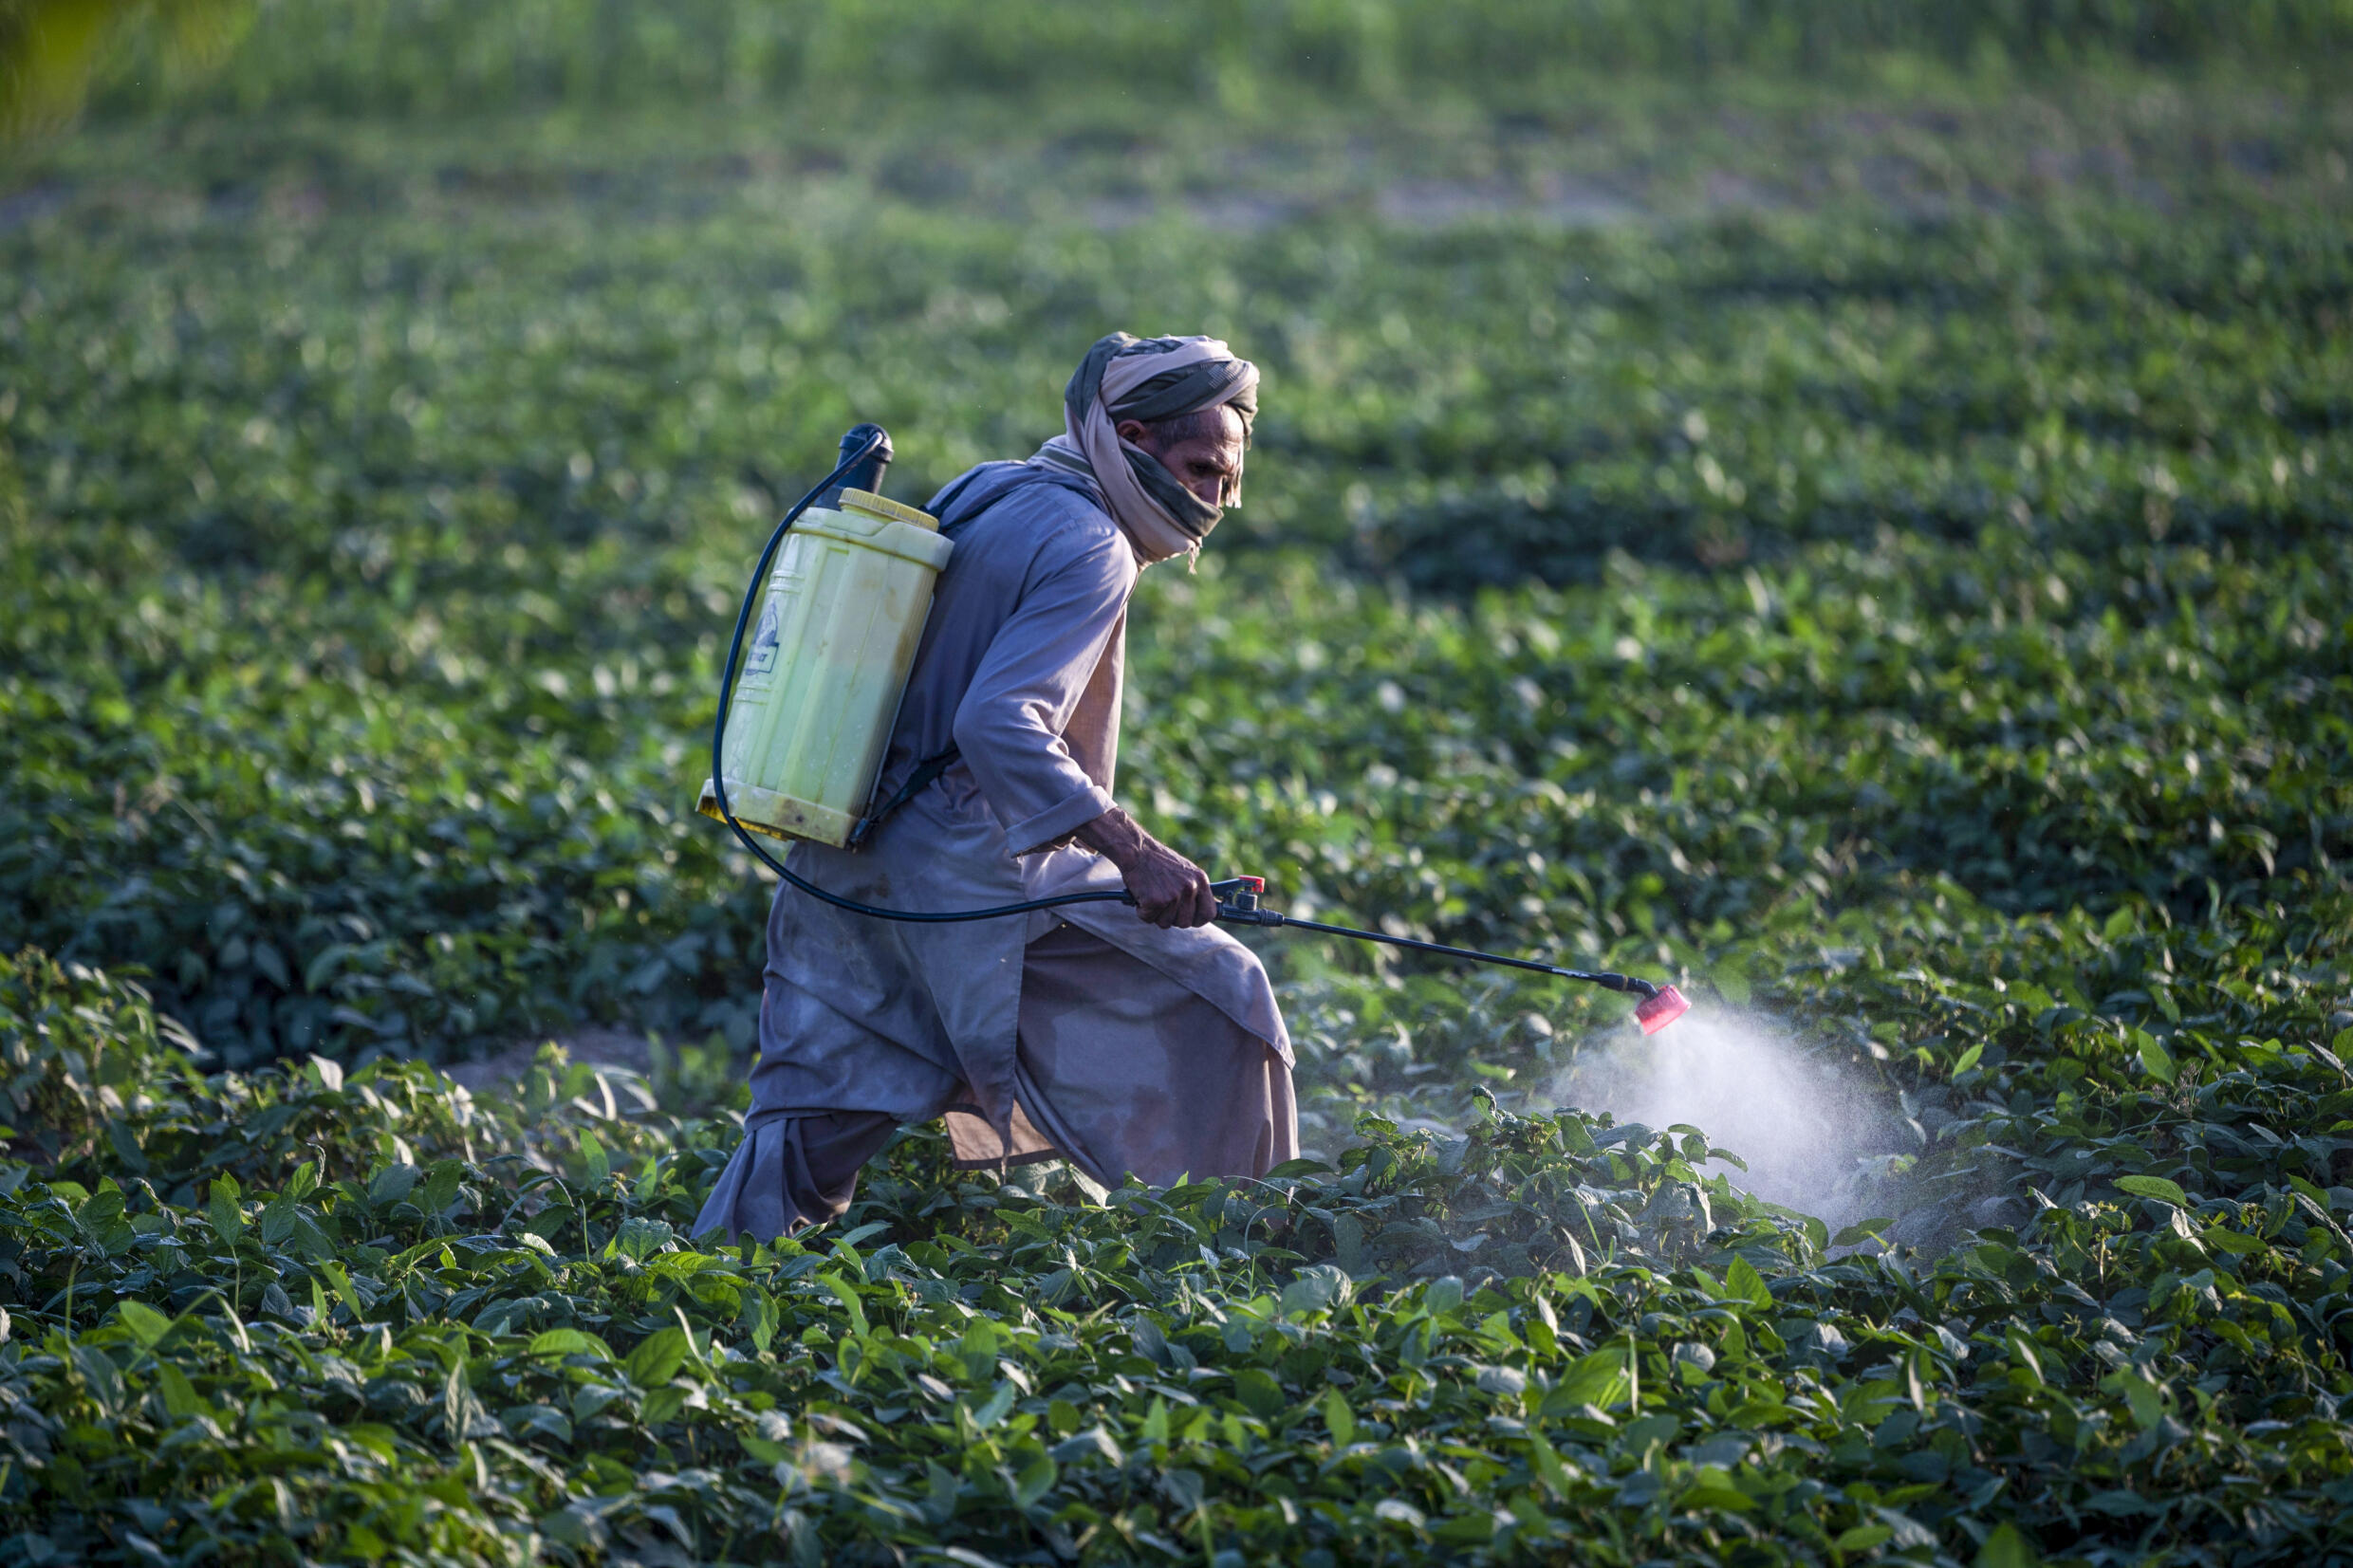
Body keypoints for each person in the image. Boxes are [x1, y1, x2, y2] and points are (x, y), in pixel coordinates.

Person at [693, 333, 1298, 1243]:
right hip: (966, 870)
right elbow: (999, 723)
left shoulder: (994, 485)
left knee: (816, 1106)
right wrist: (1139, 856)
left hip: (847, 834)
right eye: (1204, 468)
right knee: (1228, 996)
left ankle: (708, 1278)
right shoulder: (1092, 542)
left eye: (1231, 476)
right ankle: (1252, 1245)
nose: (1221, 497)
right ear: (1130, 437)